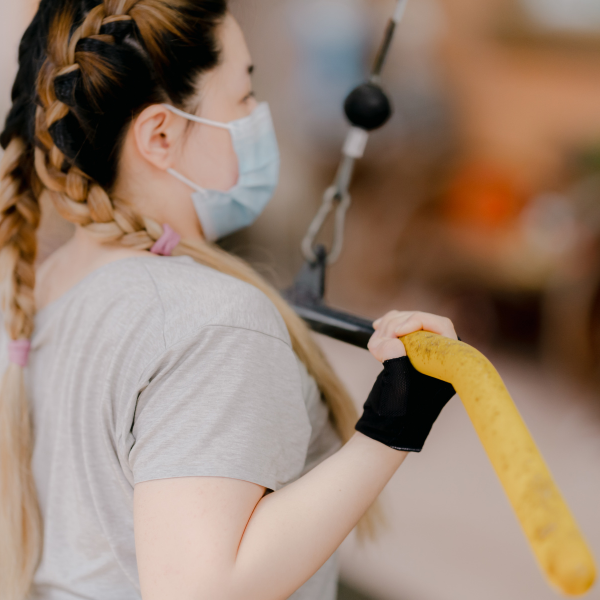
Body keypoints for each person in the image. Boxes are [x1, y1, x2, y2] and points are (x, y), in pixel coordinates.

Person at [0, 1, 458, 599]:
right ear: (160, 135)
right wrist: (392, 425)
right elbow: (203, 589)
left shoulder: (47, 282)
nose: (258, 115)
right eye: (244, 95)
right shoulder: (212, 321)